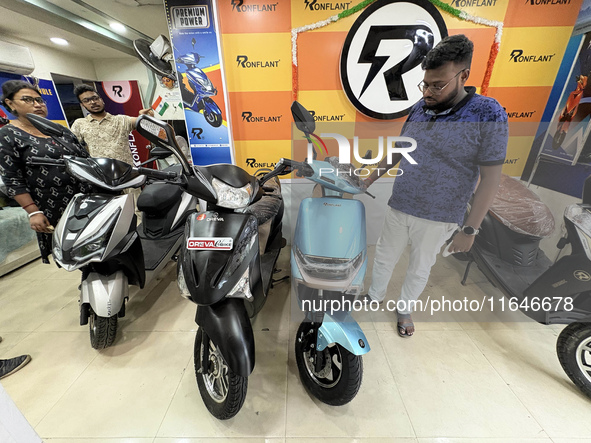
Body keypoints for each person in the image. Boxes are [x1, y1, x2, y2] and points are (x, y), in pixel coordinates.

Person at [363, 35, 509, 337]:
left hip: (440, 215)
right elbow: (399, 149)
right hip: (400, 203)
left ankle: (404, 309)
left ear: (463, 75)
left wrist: (470, 229)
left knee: (419, 267)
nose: (428, 91)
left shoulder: (488, 113)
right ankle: (374, 296)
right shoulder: (421, 106)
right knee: (384, 257)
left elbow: (491, 178)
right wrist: (368, 178)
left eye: (438, 85)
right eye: (425, 83)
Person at [0, 80, 91, 263]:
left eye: (40, 100)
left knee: (95, 243)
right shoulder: (8, 134)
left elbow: (84, 158)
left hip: (85, 198)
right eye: (28, 100)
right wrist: (33, 212)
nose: (37, 105)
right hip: (53, 206)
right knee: (74, 252)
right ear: (10, 104)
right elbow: (12, 178)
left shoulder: (59, 130)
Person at [70, 84, 154, 165]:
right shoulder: (79, 124)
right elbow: (72, 147)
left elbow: (141, 123)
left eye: (95, 98)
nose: (92, 102)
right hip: (100, 174)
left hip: (127, 173)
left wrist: (144, 117)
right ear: (82, 105)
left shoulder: (121, 120)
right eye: (86, 101)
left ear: (101, 100)